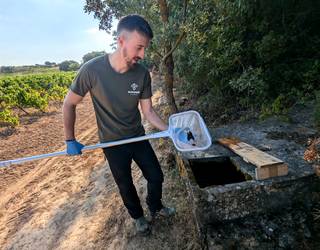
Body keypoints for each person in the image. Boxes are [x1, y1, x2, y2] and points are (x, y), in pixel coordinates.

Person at [62, 14, 175, 236]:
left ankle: (156, 206)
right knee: (125, 184)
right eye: (139, 47)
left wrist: (169, 130)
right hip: (112, 143)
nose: (142, 55)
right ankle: (138, 217)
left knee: (156, 176)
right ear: (121, 41)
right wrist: (69, 139)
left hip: (137, 137)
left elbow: (148, 111)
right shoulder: (91, 70)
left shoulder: (142, 74)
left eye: (145, 49)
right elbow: (68, 104)